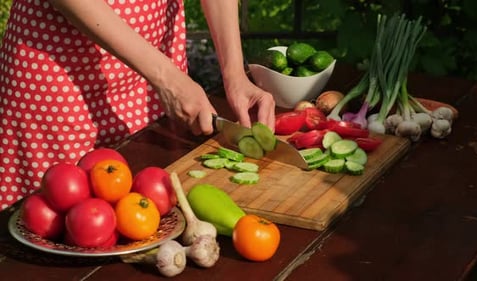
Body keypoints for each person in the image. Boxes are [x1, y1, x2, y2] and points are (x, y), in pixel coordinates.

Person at [0, 0, 276, 210]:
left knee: (146, 222)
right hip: (59, 83)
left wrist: (235, 75)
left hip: (152, 78)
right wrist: (166, 77)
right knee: (54, 231)